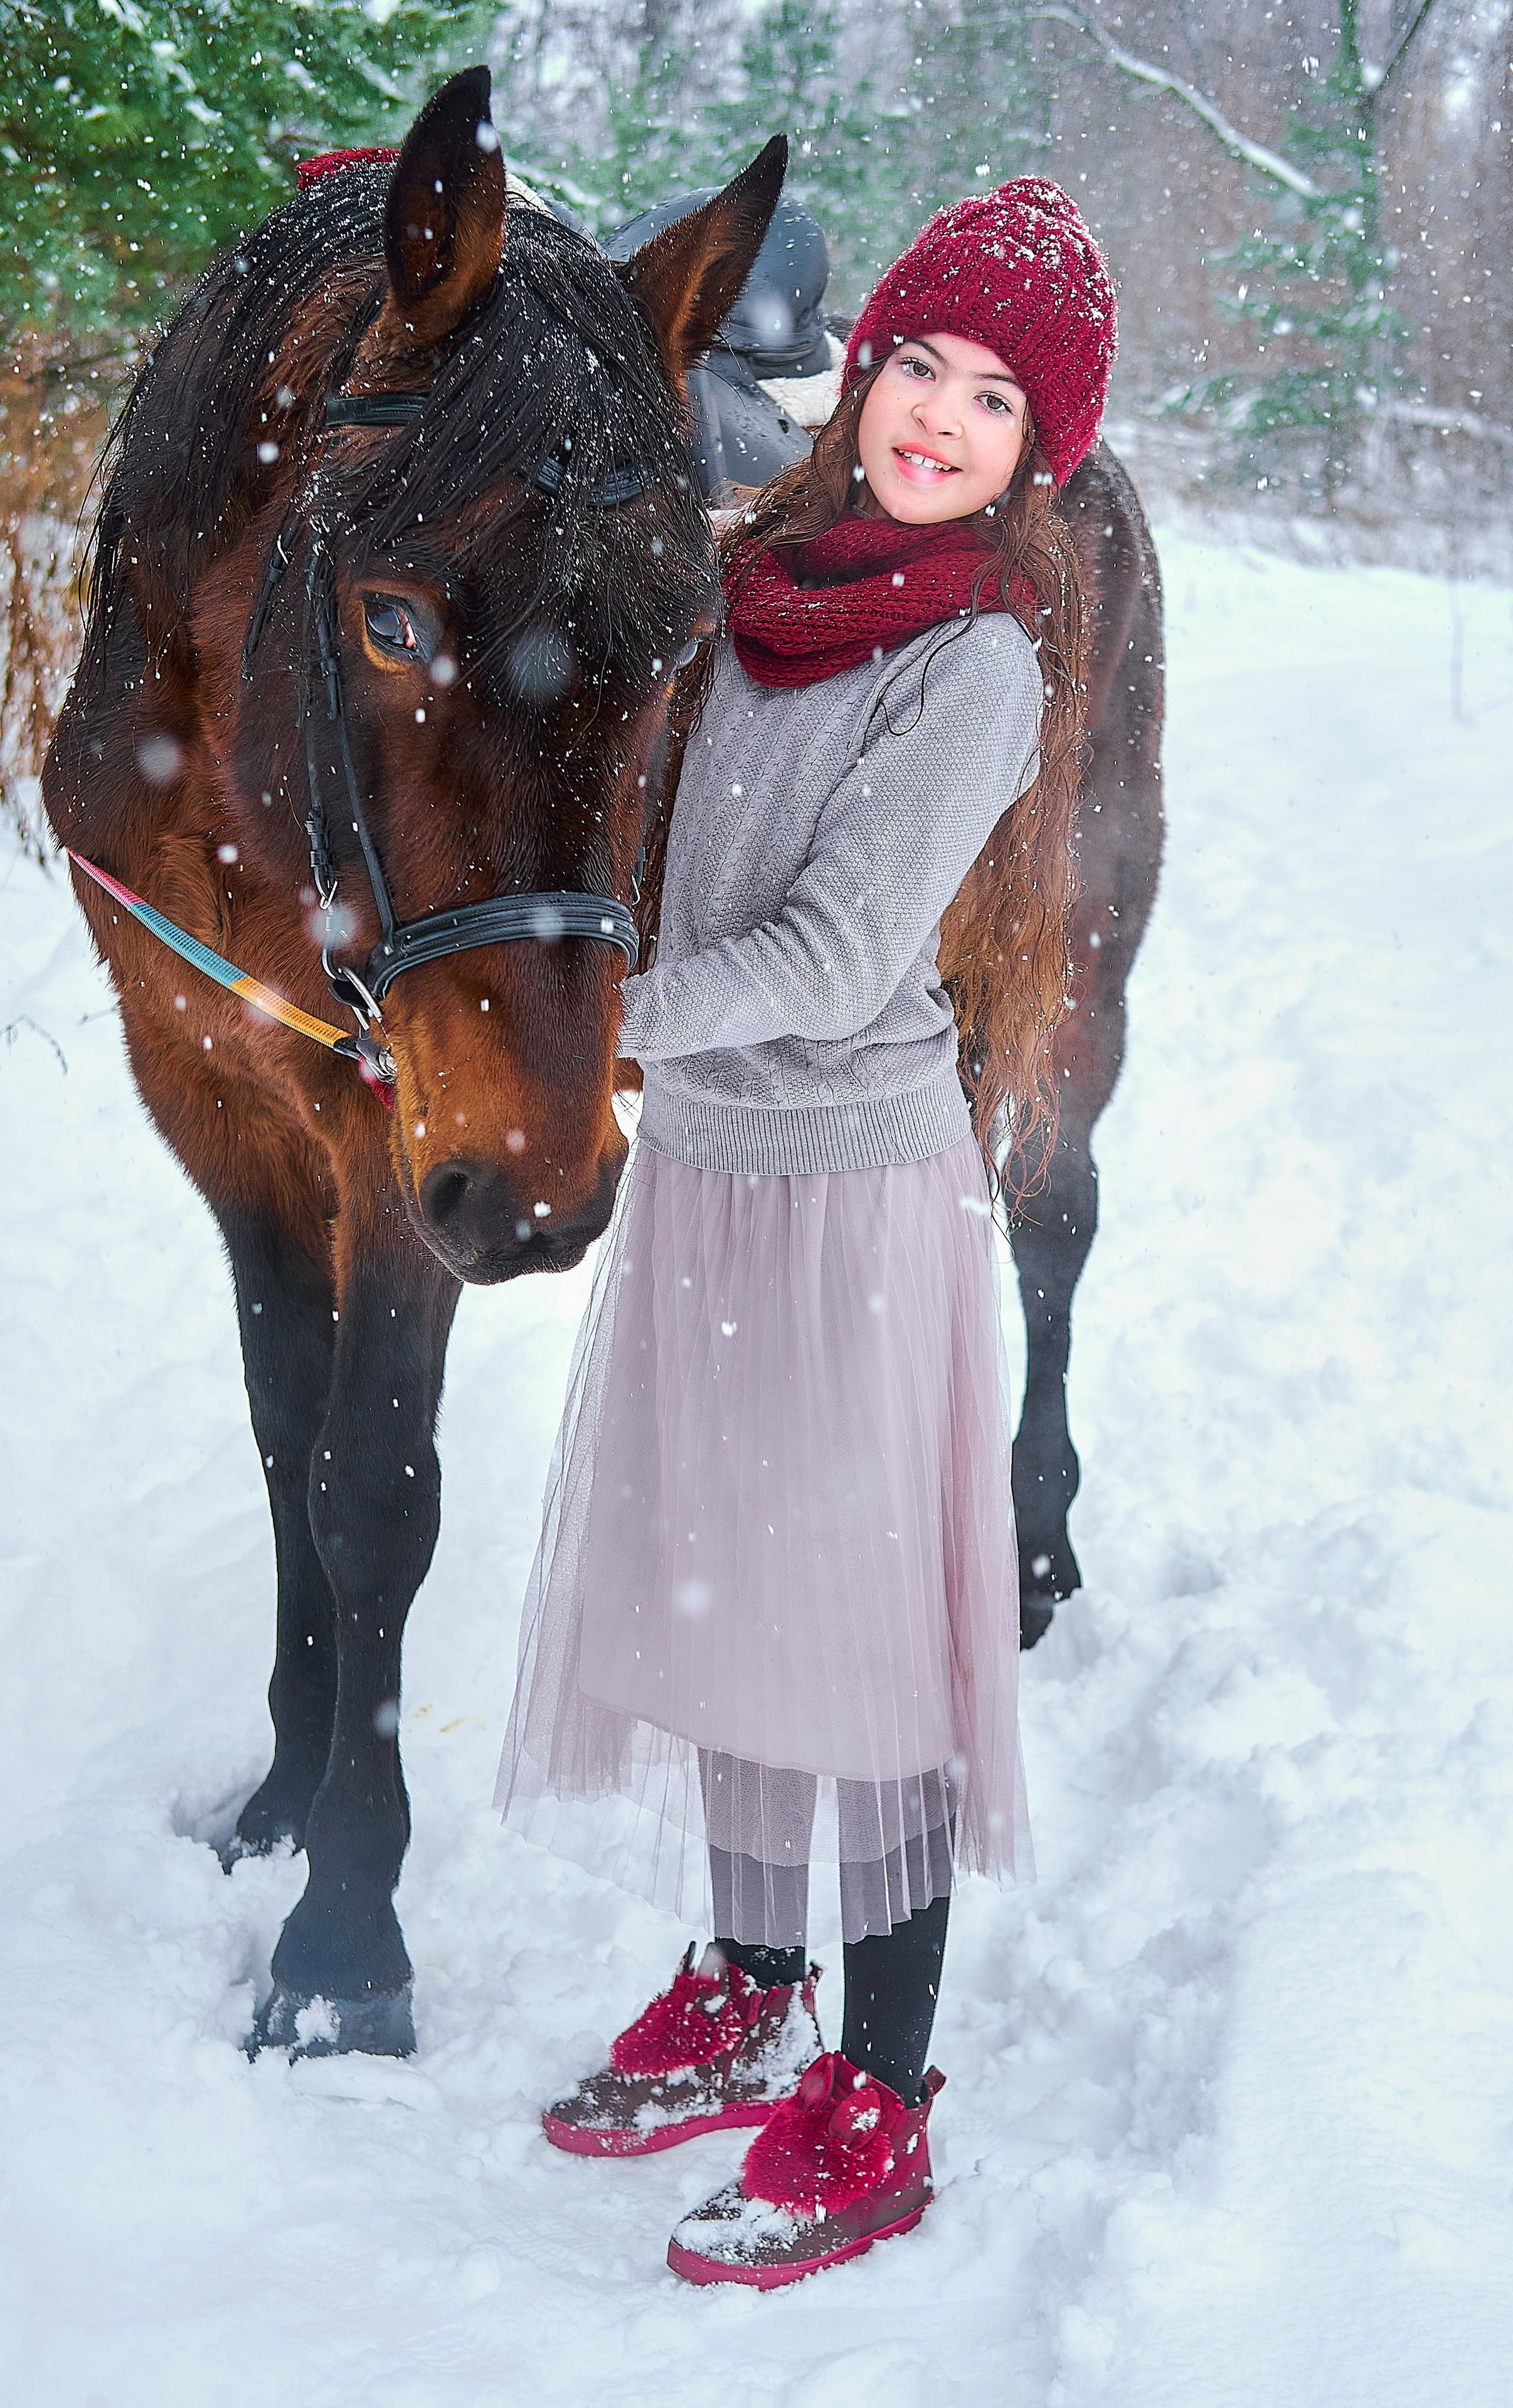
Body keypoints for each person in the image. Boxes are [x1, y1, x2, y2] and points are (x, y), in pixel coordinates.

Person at [496, 178, 1117, 2287]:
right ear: (858, 377)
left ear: (1044, 451)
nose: (937, 415)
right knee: (733, 1592)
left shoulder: (976, 664)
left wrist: (600, 1039)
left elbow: (848, 947)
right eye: (915, 364)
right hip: (705, 1180)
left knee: (870, 1653)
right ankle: (753, 1974)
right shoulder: (758, 587)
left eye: (995, 396)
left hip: (850, 1194)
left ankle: (887, 2079)